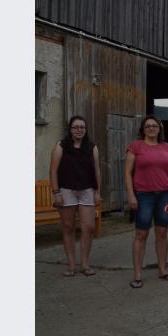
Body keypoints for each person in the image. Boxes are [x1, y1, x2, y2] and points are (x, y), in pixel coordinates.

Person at [124, 115, 168, 289]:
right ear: (143, 129)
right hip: (144, 195)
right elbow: (127, 173)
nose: (151, 128)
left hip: (164, 194)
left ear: (159, 128)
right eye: (148, 126)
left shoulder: (166, 147)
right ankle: (137, 274)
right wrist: (131, 195)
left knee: (162, 233)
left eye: (154, 125)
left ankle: (163, 270)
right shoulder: (136, 146)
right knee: (141, 234)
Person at [49, 116, 101, 277]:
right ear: (70, 129)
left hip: (87, 190)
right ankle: (71, 265)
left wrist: (97, 191)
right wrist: (56, 192)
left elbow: (97, 170)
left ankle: (85, 264)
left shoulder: (92, 147)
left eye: (82, 127)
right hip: (66, 190)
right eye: (76, 127)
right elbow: (53, 170)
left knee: (88, 227)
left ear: (86, 130)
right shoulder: (61, 146)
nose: (79, 130)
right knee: (68, 227)